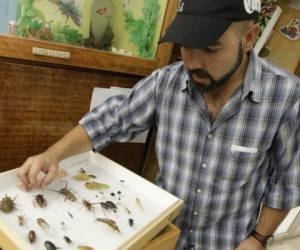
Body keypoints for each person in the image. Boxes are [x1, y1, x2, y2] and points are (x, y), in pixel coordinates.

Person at [17, 0, 300, 249]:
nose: (193, 63)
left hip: (228, 241)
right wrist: (52, 154)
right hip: (162, 231)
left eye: (211, 49)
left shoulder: (286, 97)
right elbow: (109, 120)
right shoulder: (165, 82)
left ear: (249, 38)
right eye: (187, 48)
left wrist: (258, 239)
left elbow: (287, 181)